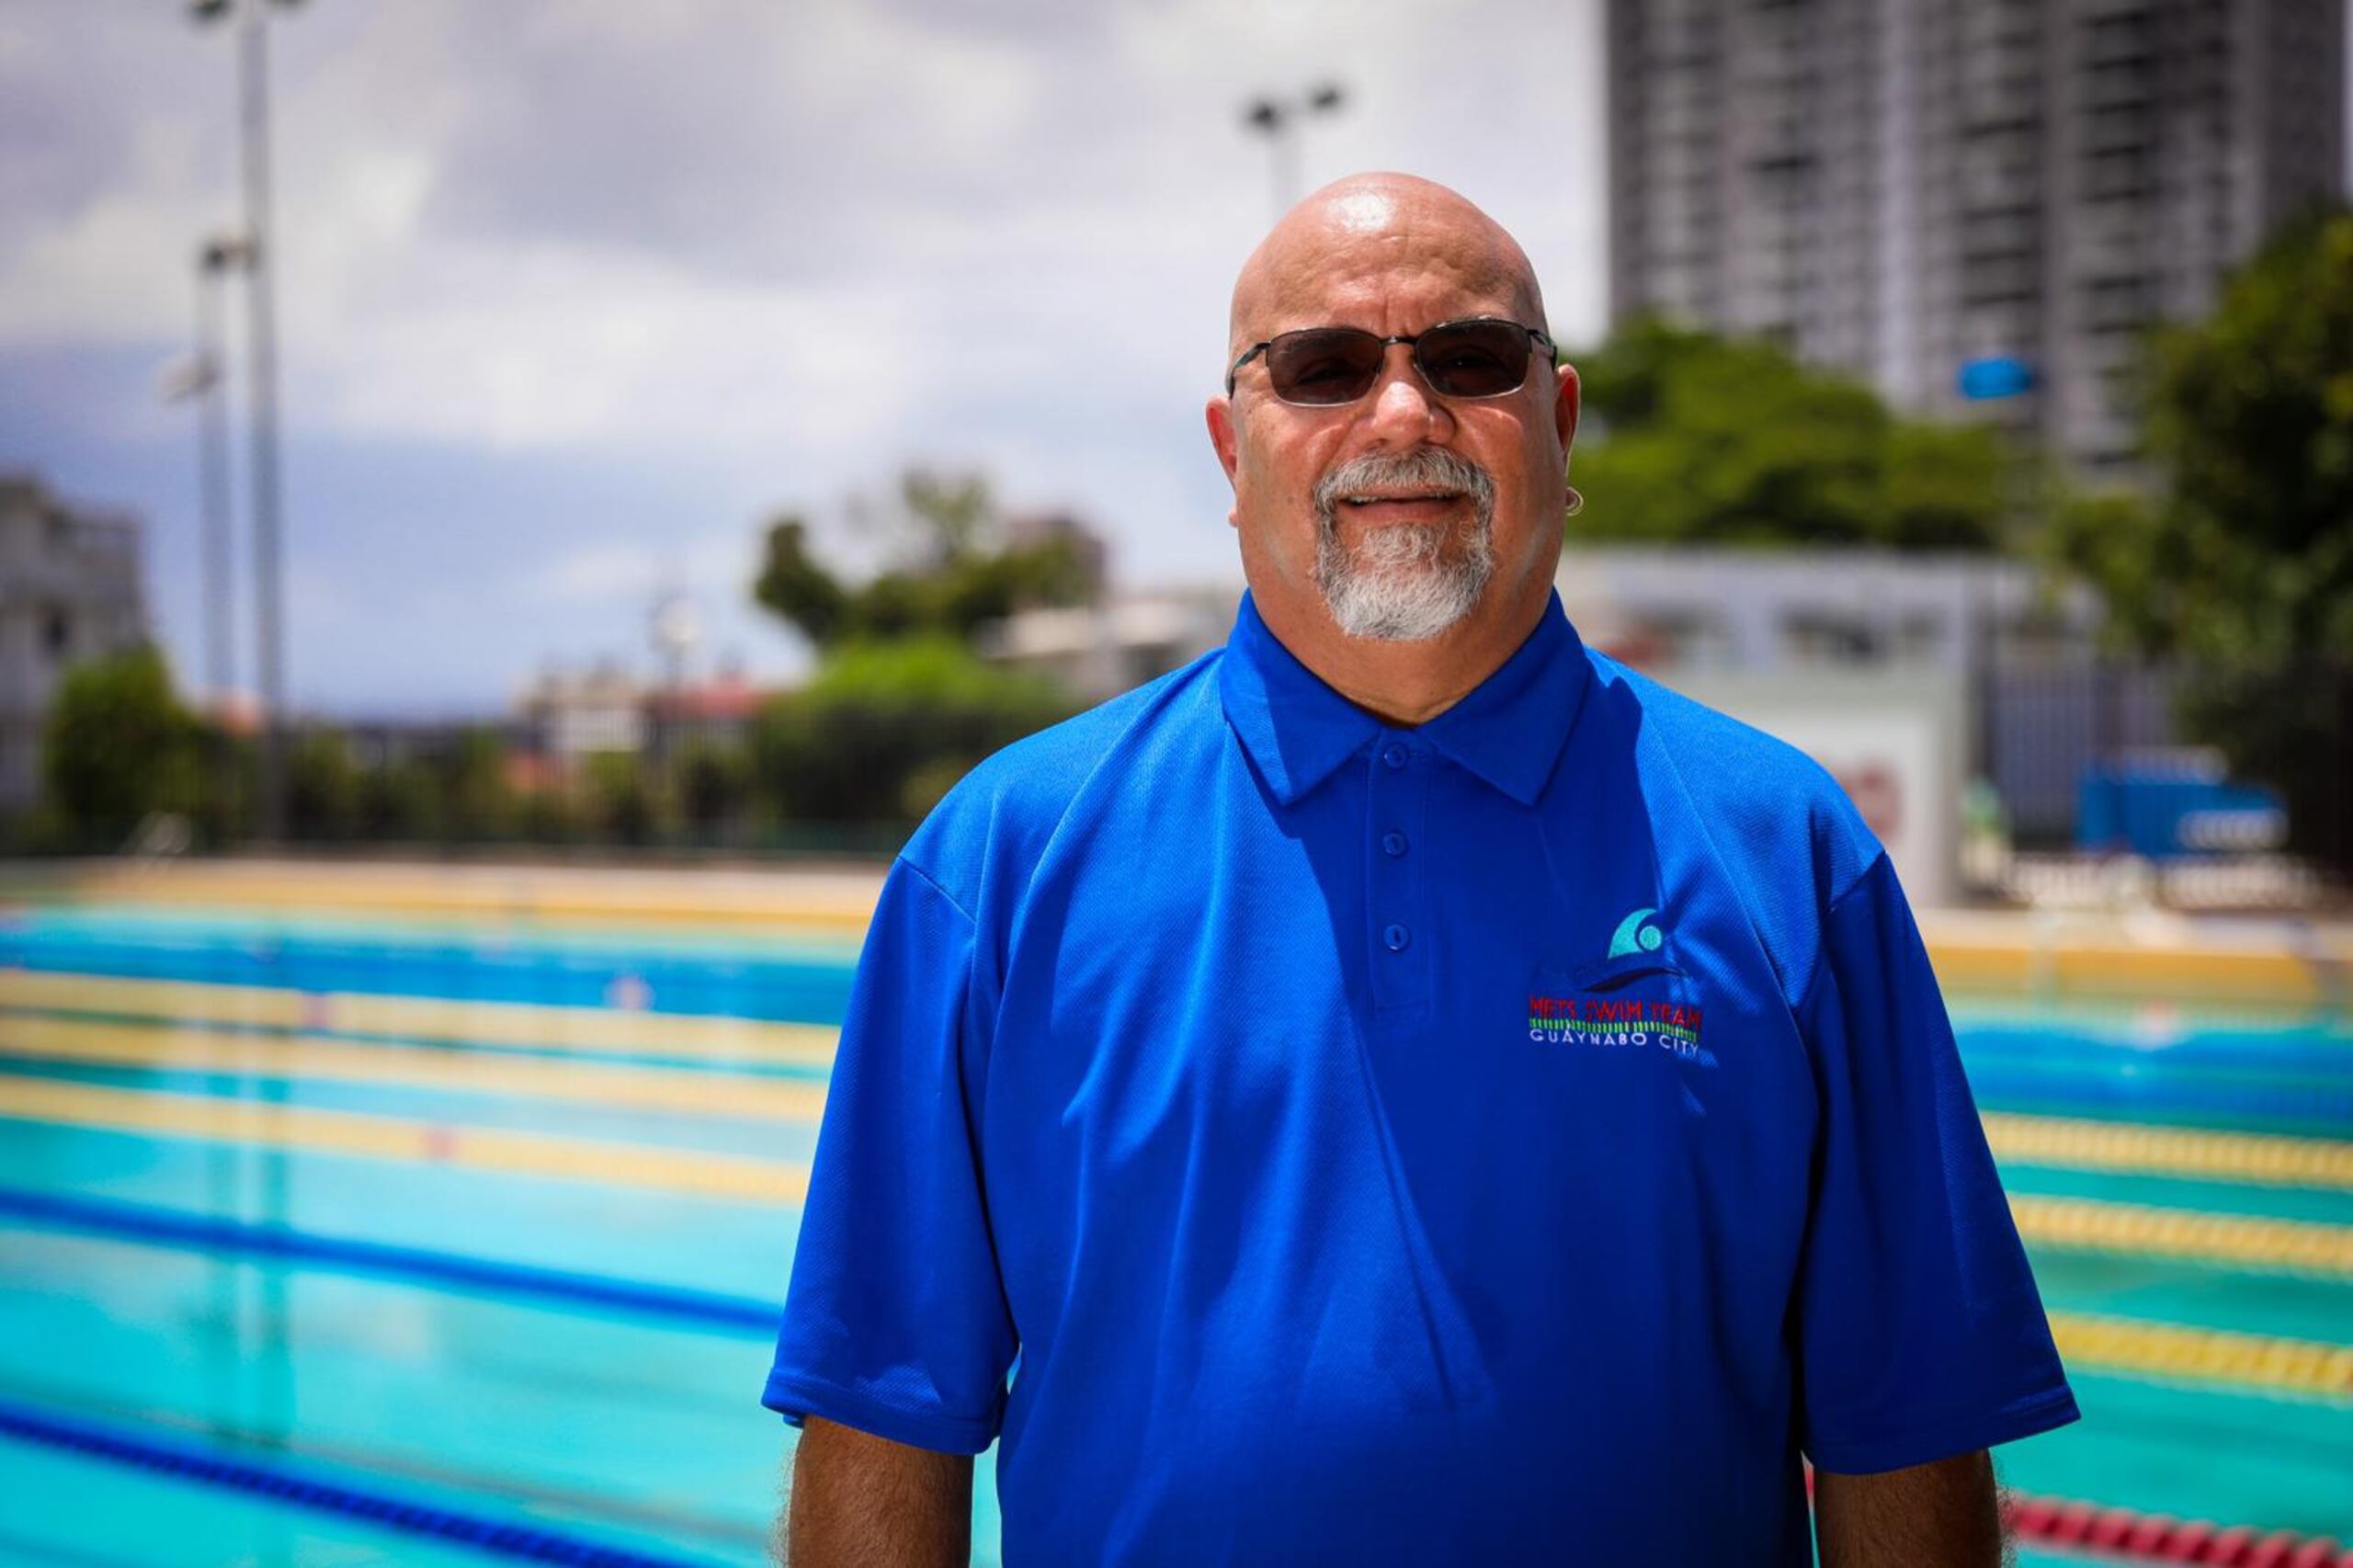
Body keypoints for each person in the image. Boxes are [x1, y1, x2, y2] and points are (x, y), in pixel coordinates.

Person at [763, 173, 2078, 1566]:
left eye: (1467, 360)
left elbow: (1909, 1426)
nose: (1402, 414)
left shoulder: (1786, 850)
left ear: (1558, 424)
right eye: (1324, 366)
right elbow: (884, 1415)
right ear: (1231, 448)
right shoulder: (1001, 861)